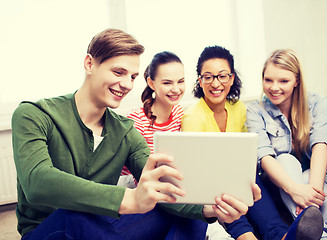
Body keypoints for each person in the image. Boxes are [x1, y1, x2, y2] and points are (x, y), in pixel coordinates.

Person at [11, 28, 260, 240]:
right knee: (73, 214)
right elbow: (37, 182)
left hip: (103, 226)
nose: (128, 84)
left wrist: (210, 208)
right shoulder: (33, 114)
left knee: (188, 217)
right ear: (90, 64)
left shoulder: (125, 131)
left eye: (132, 76)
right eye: (118, 72)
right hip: (52, 230)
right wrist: (129, 199)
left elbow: (163, 185)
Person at [181, 45, 324, 240]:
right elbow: (197, 169)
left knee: (249, 179)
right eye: (208, 77)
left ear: (231, 78)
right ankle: (247, 237)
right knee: (229, 186)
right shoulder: (192, 117)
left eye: (222, 76)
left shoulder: (238, 108)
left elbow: (247, 155)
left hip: (242, 179)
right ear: (200, 80)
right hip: (213, 184)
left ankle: (281, 236)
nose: (215, 83)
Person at [246, 49, 327, 238]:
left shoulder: (317, 103)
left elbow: (320, 146)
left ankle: (316, 228)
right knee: (285, 160)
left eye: (283, 81)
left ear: (297, 81)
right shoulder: (256, 110)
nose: (274, 87)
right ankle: (308, 226)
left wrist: (311, 200)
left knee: (309, 174)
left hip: (315, 183)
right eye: (268, 80)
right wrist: (295, 190)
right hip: (283, 185)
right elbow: (264, 156)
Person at [118, 51, 185, 189]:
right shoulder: (137, 121)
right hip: (134, 186)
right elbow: (139, 175)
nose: (176, 89)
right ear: (151, 83)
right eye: (167, 83)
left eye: (181, 81)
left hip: (168, 183)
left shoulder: (180, 114)